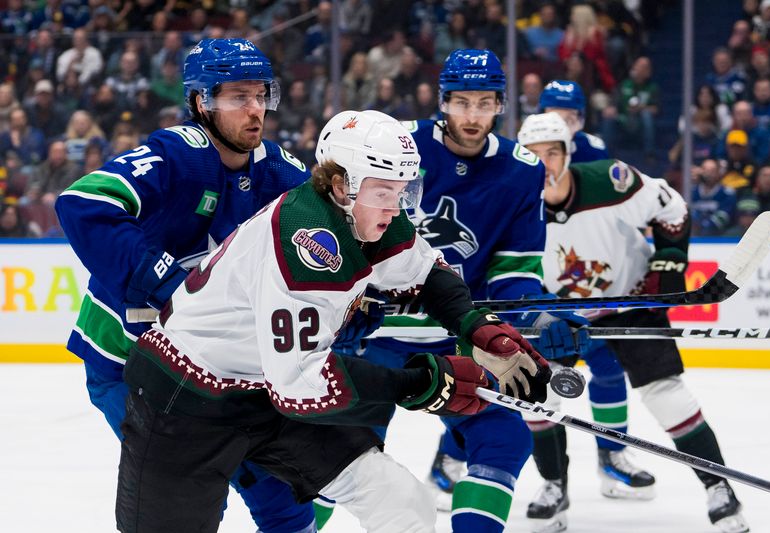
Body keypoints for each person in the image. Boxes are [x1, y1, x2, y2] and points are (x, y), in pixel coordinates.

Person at [115, 108, 551, 532]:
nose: (395, 207)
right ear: (340, 184)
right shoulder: (309, 241)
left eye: (404, 191)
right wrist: (420, 383)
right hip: (184, 402)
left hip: (266, 388)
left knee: (401, 502)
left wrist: (476, 327)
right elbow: (302, 382)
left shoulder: (370, 212)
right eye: (384, 191)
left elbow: (422, 272)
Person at [55, 38, 320, 533]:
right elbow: (82, 202)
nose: (255, 109)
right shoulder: (178, 154)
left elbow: (328, 255)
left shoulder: (280, 172)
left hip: (219, 365)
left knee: (283, 495)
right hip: (132, 363)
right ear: (202, 101)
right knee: (188, 496)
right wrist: (169, 283)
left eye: (261, 95)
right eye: (239, 97)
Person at [348, 50, 587, 533]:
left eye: (484, 103)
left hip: (457, 336)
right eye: (461, 103)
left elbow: (513, 274)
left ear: (501, 105)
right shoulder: (397, 146)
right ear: (442, 102)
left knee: (503, 438)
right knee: (337, 449)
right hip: (372, 336)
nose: (472, 116)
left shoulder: (522, 171)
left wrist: (539, 319)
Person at [517, 112, 749, 533]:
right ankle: (554, 486)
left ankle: (719, 488)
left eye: (553, 152)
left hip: (633, 299)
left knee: (667, 395)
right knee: (539, 399)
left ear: (568, 154)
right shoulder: (512, 201)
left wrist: (670, 260)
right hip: (559, 314)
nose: (545, 164)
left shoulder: (612, 180)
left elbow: (673, 210)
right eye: (533, 155)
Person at [528, 83, 659, 524]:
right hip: (542, 294)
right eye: (553, 111)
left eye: (569, 113)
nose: (561, 119)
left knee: (606, 369)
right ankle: (548, 480)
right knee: (532, 386)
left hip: (588, 290)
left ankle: (613, 457)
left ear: (581, 119)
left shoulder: (594, 156)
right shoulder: (523, 155)